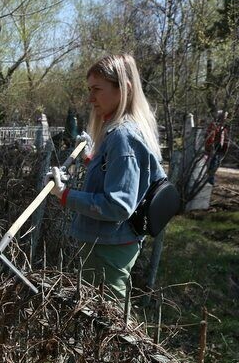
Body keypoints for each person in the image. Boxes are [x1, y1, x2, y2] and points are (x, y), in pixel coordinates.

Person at [46, 53, 167, 301]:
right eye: (89, 90)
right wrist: (91, 157)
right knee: (102, 319)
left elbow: (118, 205)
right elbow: (116, 173)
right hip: (108, 244)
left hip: (108, 247)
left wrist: (64, 194)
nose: (90, 98)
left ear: (124, 89)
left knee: (107, 322)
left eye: (97, 90)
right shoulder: (121, 131)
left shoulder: (124, 136)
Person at [204, 110, 229, 185]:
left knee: (216, 165)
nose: (224, 119)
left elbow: (225, 140)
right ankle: (209, 182)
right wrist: (211, 147)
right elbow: (210, 137)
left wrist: (225, 148)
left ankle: (210, 180)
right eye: (223, 117)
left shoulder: (223, 128)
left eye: (225, 117)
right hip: (214, 149)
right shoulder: (214, 125)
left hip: (220, 150)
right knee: (212, 165)